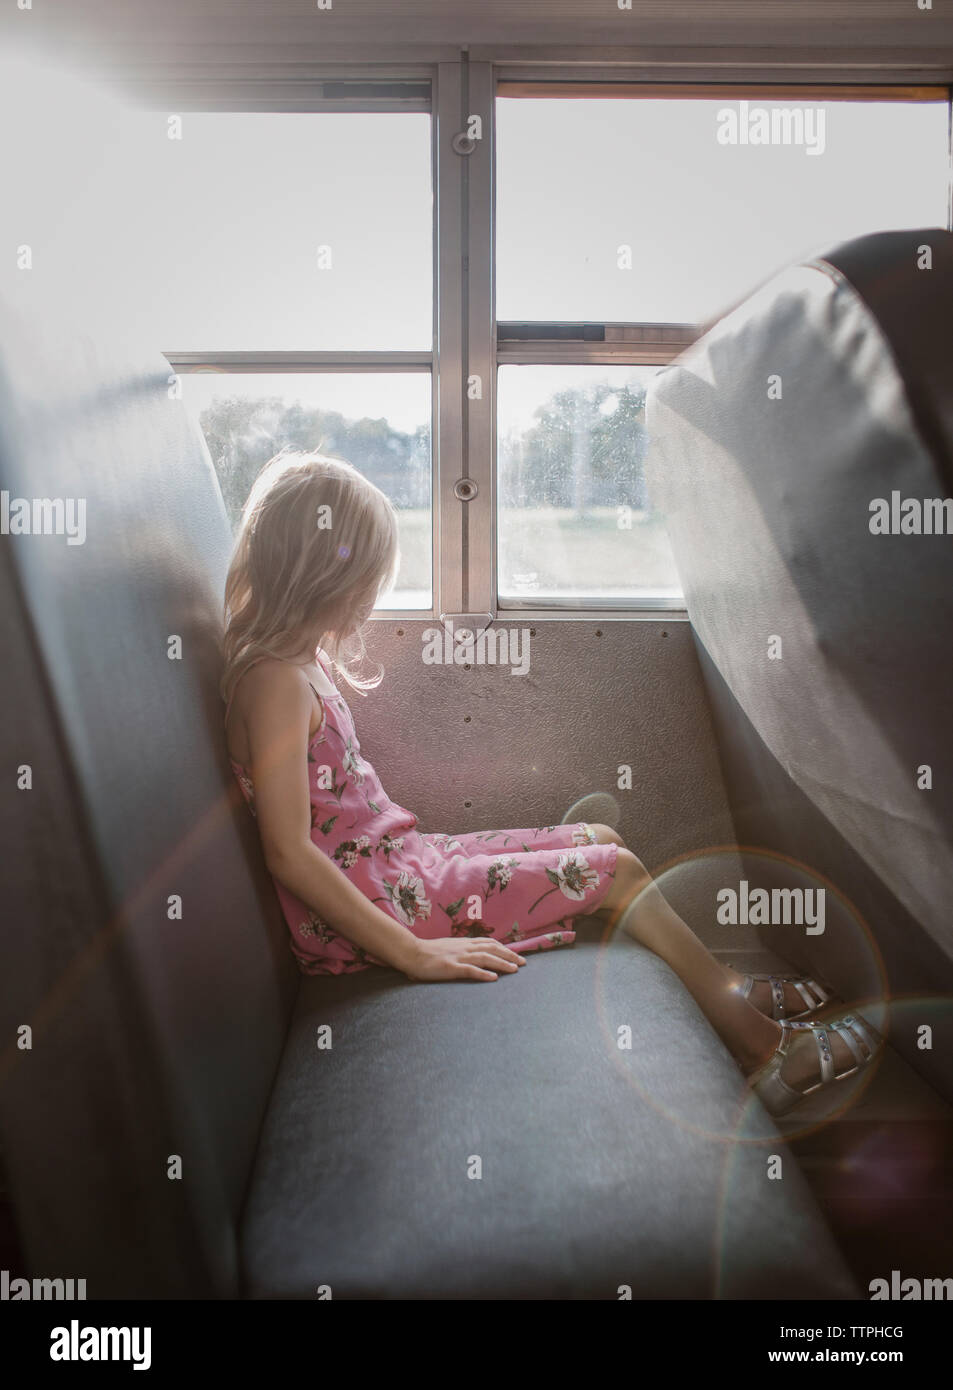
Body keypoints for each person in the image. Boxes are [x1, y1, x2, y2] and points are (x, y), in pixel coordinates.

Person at [222, 449, 880, 1117]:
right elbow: (288, 851)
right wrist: (412, 952)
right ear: (319, 575)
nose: (369, 599)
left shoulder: (297, 663)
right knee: (615, 870)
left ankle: (727, 986)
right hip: (386, 905)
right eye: (363, 580)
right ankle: (765, 1050)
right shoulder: (274, 681)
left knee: (598, 836)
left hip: (396, 868)